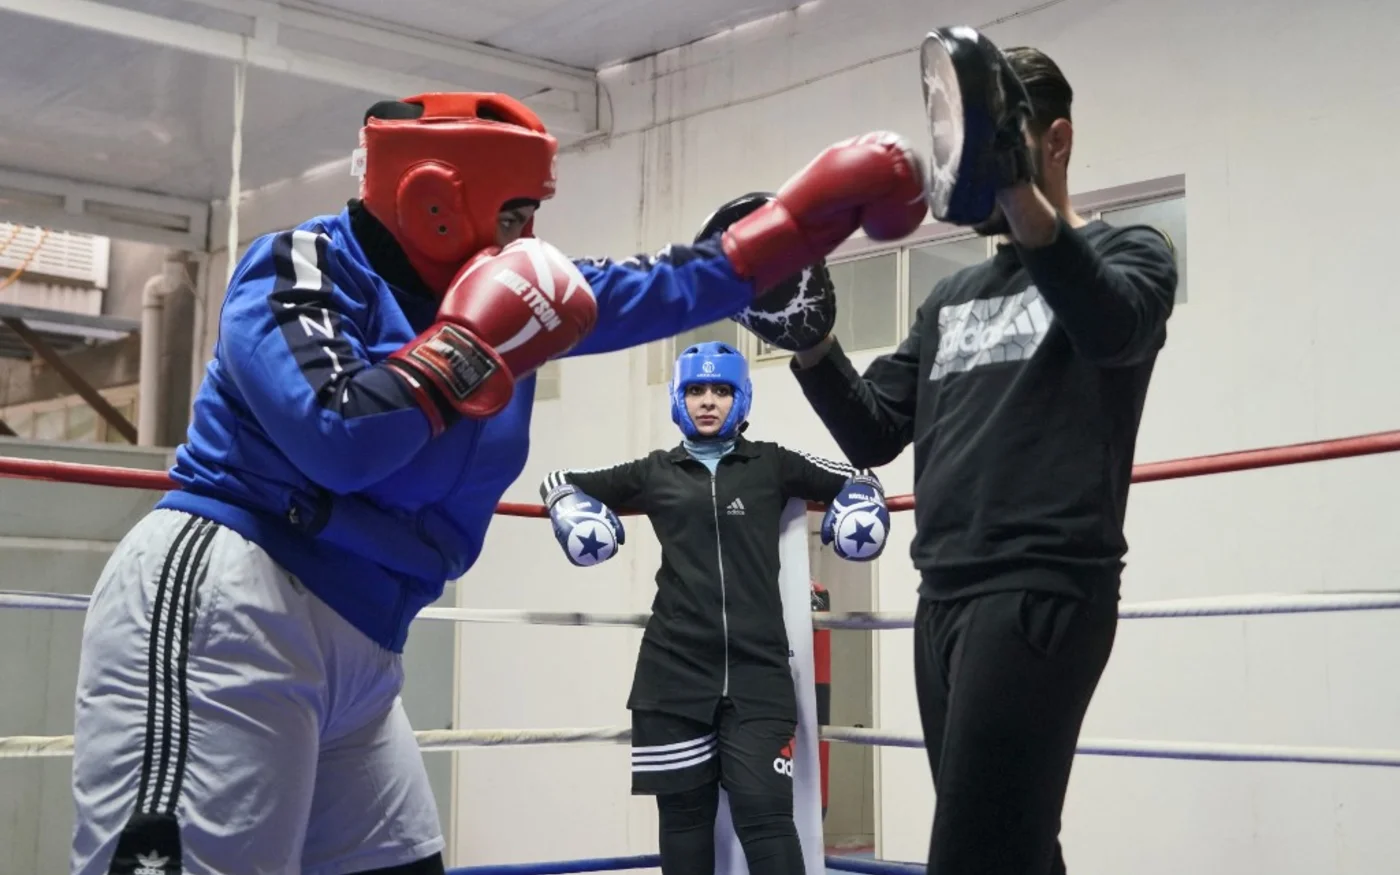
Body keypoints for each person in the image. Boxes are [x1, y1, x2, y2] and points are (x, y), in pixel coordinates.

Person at [68, 93, 928, 875]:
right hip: (235, 603)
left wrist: (801, 223)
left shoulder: (507, 284)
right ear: (436, 198)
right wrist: (471, 345)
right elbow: (338, 435)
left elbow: (658, 285)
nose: (527, 234)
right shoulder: (300, 265)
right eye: (516, 210)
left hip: (364, 642)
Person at [753, 32, 1179, 875]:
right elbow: (875, 428)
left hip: (1041, 592)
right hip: (944, 597)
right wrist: (810, 345)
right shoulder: (952, 295)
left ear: (1053, 142)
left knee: (970, 854)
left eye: (989, 142)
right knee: (1012, 845)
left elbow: (1111, 326)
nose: (967, 164)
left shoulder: (1132, 254)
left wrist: (1020, 190)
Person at [539, 336, 890, 875]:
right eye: (696, 389)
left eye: (721, 390)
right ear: (678, 398)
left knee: (767, 818)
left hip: (758, 674)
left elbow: (860, 476)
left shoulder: (772, 462)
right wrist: (569, 509)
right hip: (672, 675)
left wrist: (861, 508)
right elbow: (559, 480)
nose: (708, 401)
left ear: (741, 399)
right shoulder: (655, 471)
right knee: (684, 822)